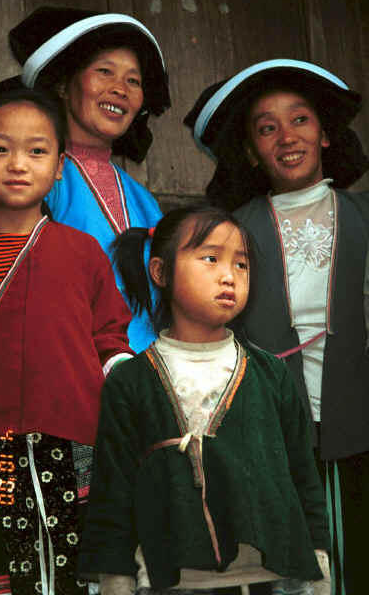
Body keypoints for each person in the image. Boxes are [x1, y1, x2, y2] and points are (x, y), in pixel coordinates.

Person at [184, 59, 369, 595]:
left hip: (360, 419)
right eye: (267, 128)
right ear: (249, 151)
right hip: (270, 425)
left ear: (327, 134)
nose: (287, 137)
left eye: (301, 120)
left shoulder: (363, 215)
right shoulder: (232, 230)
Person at [78, 206, 331, 595]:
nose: (229, 276)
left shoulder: (271, 374)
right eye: (210, 259)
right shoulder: (131, 382)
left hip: (272, 576)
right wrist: (116, 579)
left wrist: (318, 563)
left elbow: (303, 476)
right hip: (173, 579)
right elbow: (113, 491)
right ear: (160, 272)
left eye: (242, 265)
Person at [0, 86, 134, 595]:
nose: (18, 164)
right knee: (2, 577)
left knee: (72, 575)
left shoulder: (81, 251)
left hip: (73, 441)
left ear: (59, 166)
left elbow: (111, 336)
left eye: (36, 151)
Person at [8, 6, 171, 353]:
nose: (120, 89)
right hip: (69, 367)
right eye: (104, 72)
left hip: (151, 378)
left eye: (133, 80)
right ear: (64, 85)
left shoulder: (145, 200)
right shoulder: (33, 180)